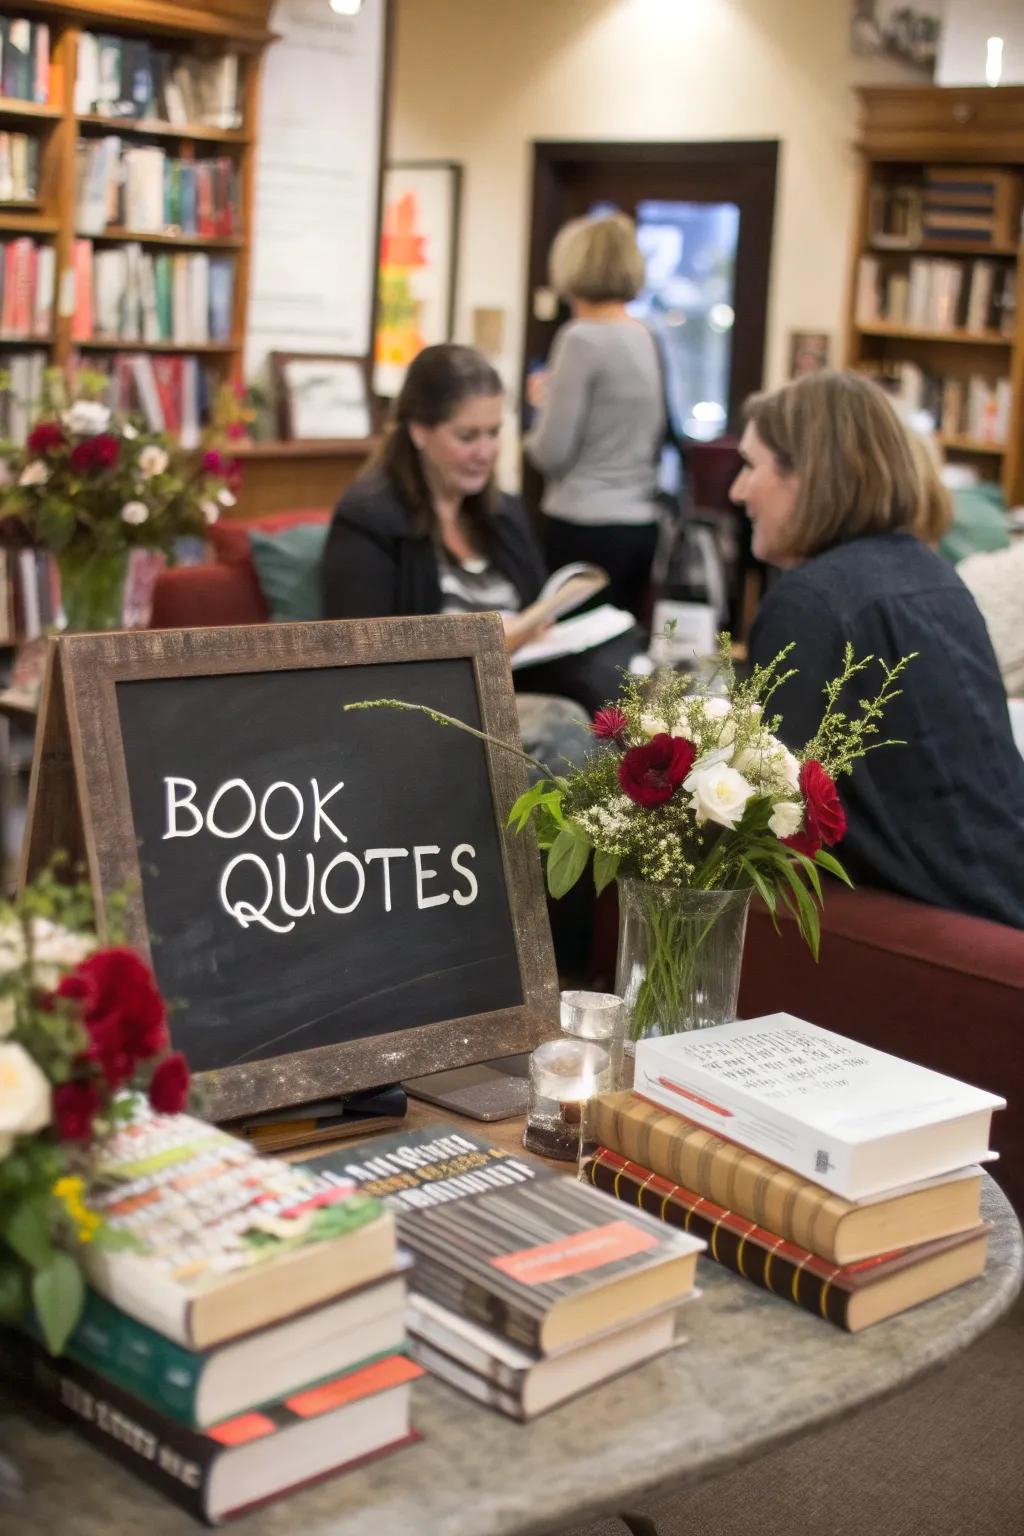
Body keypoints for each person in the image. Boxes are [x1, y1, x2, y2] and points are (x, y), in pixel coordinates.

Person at [732, 369, 1024, 929]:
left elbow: (765, 824)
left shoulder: (812, 601)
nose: (736, 491)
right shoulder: (933, 575)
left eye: (751, 466)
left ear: (807, 476)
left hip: (934, 932)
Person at [322, 342, 635, 747]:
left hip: (518, 684)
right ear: (418, 430)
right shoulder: (369, 520)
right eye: (467, 436)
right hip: (431, 707)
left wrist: (534, 629)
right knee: (565, 727)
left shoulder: (502, 513)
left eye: (494, 433)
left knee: (629, 700)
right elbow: (360, 654)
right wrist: (489, 643)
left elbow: (534, 607)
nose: (485, 453)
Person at [524, 212, 665, 621]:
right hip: (639, 525)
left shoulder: (580, 339)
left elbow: (550, 452)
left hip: (584, 524)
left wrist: (538, 408)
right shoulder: (644, 335)